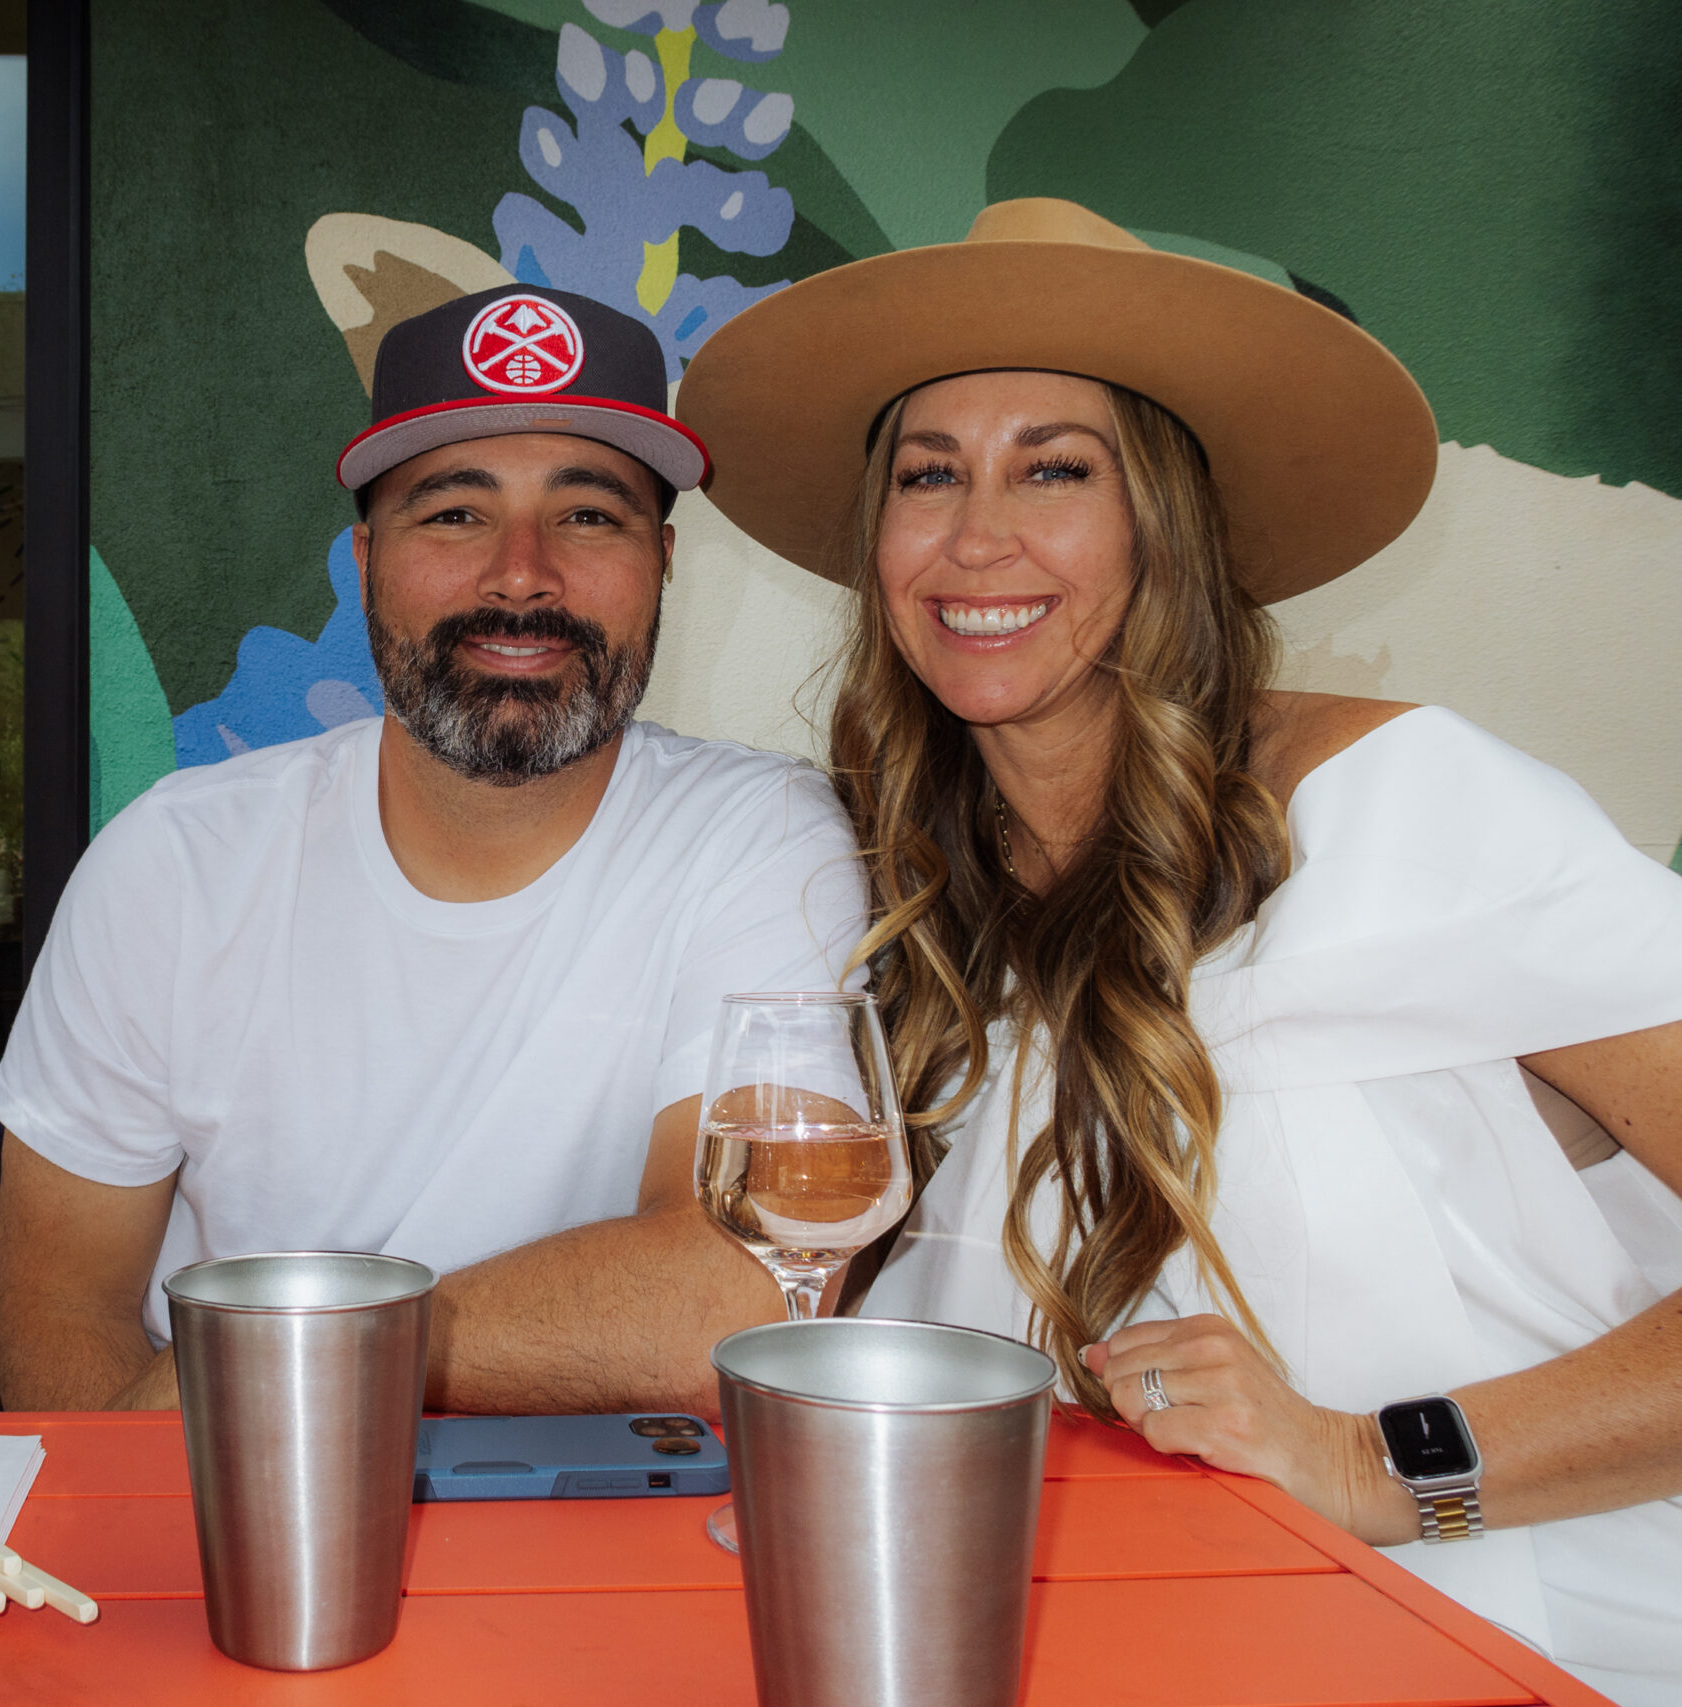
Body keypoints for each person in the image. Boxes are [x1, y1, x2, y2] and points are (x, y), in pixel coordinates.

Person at [679, 198, 1682, 1704]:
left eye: (1056, 469)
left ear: (1170, 522)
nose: (974, 536)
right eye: (927, 473)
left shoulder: (1403, 806)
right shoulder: (904, 889)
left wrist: (1381, 1460)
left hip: (1501, 1647)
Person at [0, 285, 861, 1418]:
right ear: (363, 558)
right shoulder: (175, 861)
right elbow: (64, 1315)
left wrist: (270, 1374)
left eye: (588, 515)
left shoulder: (758, 838)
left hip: (609, 1538)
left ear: (665, 562)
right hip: (239, 1518)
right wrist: (173, 1534)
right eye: (453, 512)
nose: (520, 572)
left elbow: (737, 1288)